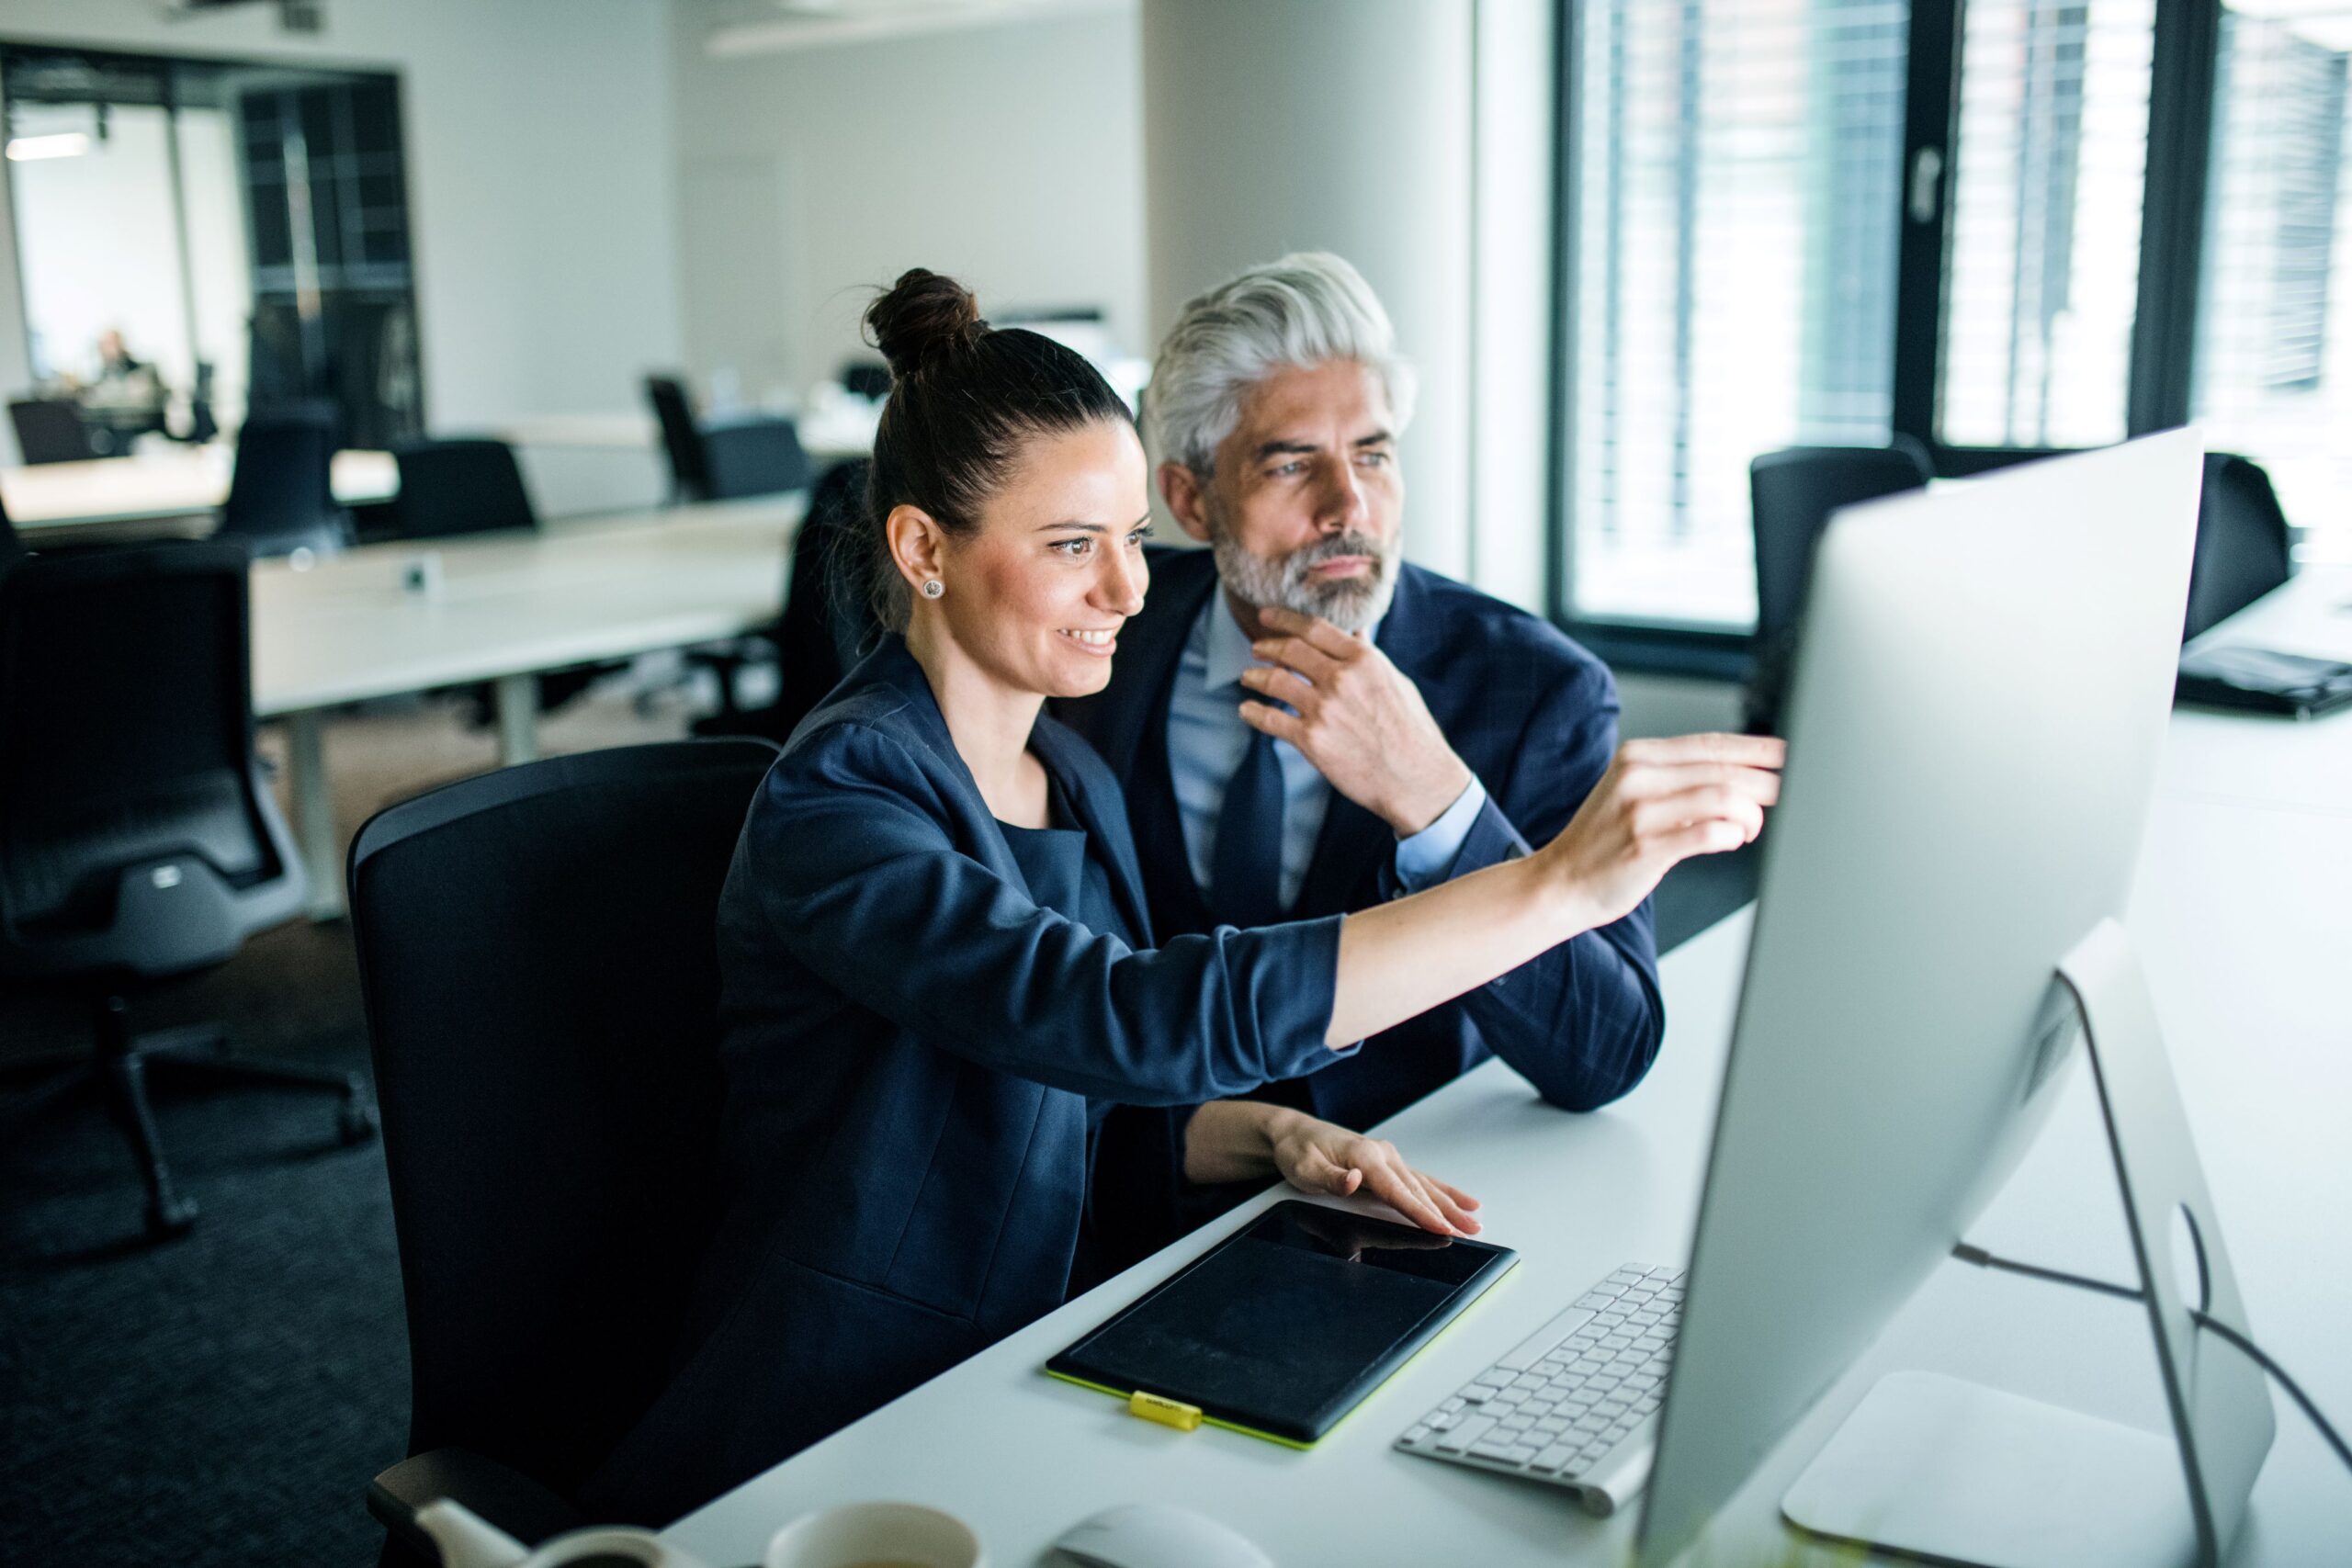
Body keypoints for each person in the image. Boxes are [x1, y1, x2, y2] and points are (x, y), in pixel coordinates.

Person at [585, 269, 1781, 1523]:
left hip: (1033, 1341)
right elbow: (1113, 1016)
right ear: (925, 550)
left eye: (1124, 544)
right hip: (840, 1412)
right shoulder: (841, 800)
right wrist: (1544, 887)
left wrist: (1264, 1133)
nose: (1131, 589)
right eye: (1071, 546)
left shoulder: (1062, 766)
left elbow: (1071, 1109)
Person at [1059, 253, 1668, 1260]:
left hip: (1401, 1214)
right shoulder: (1101, 648)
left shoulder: (1533, 691)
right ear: (1191, 499)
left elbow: (1604, 1053)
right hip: (1125, 1204)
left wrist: (1435, 802)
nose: (1348, 505)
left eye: (1375, 455)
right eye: (1292, 463)